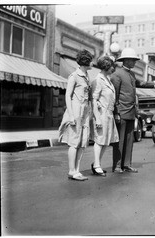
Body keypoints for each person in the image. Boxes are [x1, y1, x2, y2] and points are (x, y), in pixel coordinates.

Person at [111, 48, 155, 173]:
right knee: (120, 140)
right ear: (125, 60)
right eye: (132, 60)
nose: (134, 62)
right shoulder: (117, 74)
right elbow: (114, 96)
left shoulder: (131, 74)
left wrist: (153, 83)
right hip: (121, 112)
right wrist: (116, 113)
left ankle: (126, 164)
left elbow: (140, 83)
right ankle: (117, 165)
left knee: (129, 139)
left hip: (131, 112)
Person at [59, 49, 93, 181]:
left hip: (84, 112)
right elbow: (68, 95)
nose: (92, 63)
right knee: (74, 142)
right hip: (76, 110)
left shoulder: (86, 76)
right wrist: (71, 115)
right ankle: (71, 171)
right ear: (86, 62)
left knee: (83, 142)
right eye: (90, 61)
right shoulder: (74, 76)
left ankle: (77, 170)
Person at [90, 56, 119, 177]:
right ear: (106, 67)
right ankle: (96, 165)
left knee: (106, 141)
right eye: (111, 66)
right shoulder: (98, 80)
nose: (113, 68)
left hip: (109, 114)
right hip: (102, 114)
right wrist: (97, 117)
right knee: (100, 140)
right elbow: (94, 99)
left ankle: (97, 164)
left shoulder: (107, 79)